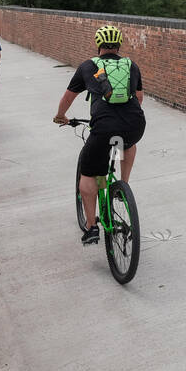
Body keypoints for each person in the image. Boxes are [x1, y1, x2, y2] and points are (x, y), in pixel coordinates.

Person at [54, 25, 146, 245]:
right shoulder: (131, 65)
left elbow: (69, 97)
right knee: (128, 142)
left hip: (104, 128)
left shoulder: (88, 66)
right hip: (135, 123)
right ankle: (123, 186)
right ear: (118, 46)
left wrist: (61, 115)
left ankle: (91, 226)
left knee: (89, 173)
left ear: (98, 45)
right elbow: (139, 98)